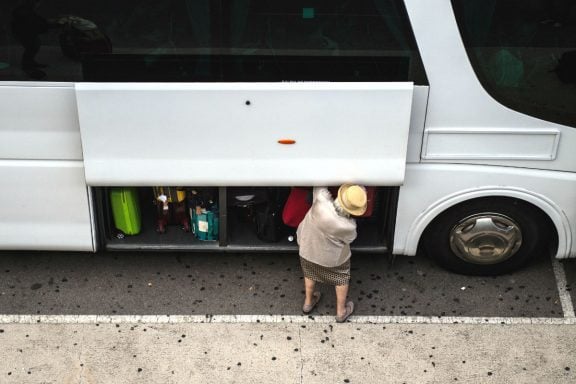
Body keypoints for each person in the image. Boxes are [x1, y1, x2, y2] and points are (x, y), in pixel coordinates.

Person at [296, 184, 367, 323]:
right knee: (341, 278)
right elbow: (349, 240)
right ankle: (341, 312)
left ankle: (308, 302)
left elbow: (319, 185)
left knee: (310, 273)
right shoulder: (350, 227)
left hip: (307, 249)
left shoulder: (320, 199)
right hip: (332, 261)